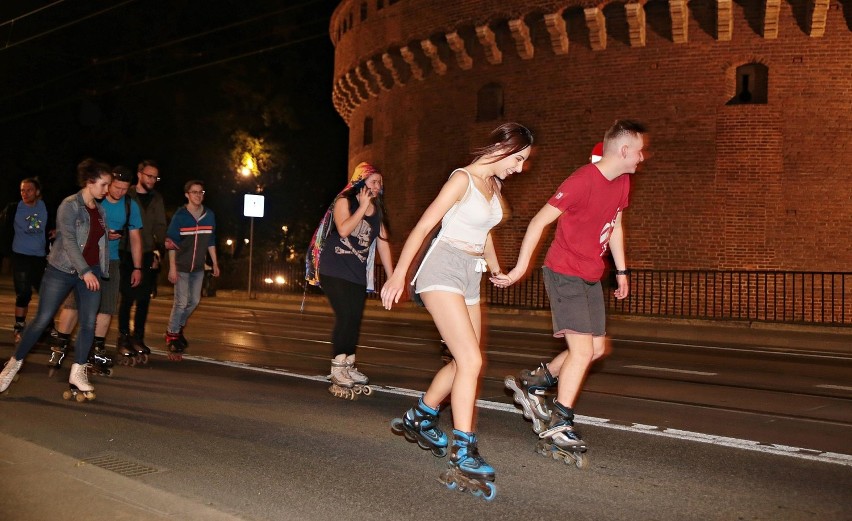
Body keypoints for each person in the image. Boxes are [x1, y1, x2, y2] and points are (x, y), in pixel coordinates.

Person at [381, 122, 533, 498]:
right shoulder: (462, 180)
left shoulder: (494, 185)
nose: (519, 168)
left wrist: (497, 268)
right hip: (442, 268)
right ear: (501, 149)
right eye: (518, 159)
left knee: (465, 360)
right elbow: (422, 227)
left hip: (471, 273)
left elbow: (485, 233)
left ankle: (421, 416)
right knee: (471, 362)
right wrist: (399, 276)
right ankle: (463, 450)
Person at [497, 120, 647, 459]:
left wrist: (621, 271)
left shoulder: (623, 182)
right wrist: (521, 268)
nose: (642, 158)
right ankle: (559, 422)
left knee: (594, 349)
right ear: (623, 150)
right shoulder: (582, 181)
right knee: (580, 352)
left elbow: (616, 225)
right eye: (638, 151)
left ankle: (535, 381)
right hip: (564, 271)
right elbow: (539, 221)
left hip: (591, 273)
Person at [0, 159, 111, 400]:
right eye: (103, 185)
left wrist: (101, 270)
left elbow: (100, 242)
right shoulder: (69, 205)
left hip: (90, 272)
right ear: (90, 182)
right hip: (61, 270)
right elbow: (70, 241)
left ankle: (78, 372)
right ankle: (12, 365)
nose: (106, 190)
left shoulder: (100, 211)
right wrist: (85, 270)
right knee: (42, 319)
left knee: (89, 323)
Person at [306, 162, 394, 399]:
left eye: (381, 183)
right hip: (334, 268)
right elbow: (344, 229)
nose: (379, 186)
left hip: (356, 273)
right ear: (361, 180)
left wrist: (393, 276)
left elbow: (383, 243)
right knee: (345, 315)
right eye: (374, 181)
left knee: (355, 319)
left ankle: (349, 365)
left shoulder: (376, 210)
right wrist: (362, 205)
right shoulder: (345, 201)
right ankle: (337, 367)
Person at [51, 166, 144, 375]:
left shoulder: (130, 205)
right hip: (85, 259)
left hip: (110, 261)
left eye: (124, 189)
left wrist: (138, 267)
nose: (119, 192)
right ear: (107, 182)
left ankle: (98, 351)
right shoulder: (94, 199)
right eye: (116, 187)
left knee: (107, 307)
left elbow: (136, 238)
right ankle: (60, 346)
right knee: (73, 304)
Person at [163, 180, 219, 360]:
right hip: (181, 266)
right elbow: (170, 243)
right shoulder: (180, 216)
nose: (198, 195)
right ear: (187, 194)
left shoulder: (209, 215)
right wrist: (172, 268)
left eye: (201, 192)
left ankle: (177, 329)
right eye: (194, 192)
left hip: (198, 268)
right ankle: (172, 334)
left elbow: (210, 241)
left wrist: (215, 263)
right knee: (181, 302)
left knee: (194, 301)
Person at [117, 160, 166, 361]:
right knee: (127, 297)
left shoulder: (157, 198)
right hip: (125, 251)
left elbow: (161, 226)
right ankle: (123, 337)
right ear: (139, 174)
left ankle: (138, 337)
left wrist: (159, 252)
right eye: (149, 176)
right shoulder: (126, 194)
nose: (152, 180)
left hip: (146, 252)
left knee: (144, 298)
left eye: (155, 177)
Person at [0, 178, 55, 343]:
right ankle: (19, 326)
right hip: (20, 255)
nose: (25, 193)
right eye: (22, 190)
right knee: (23, 292)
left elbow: (56, 224)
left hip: (40, 257)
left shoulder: (46, 207)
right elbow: (4, 229)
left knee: (46, 293)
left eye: (29, 190)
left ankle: (48, 325)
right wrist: (6, 253)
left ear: (37, 192)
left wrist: (56, 230)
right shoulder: (13, 209)